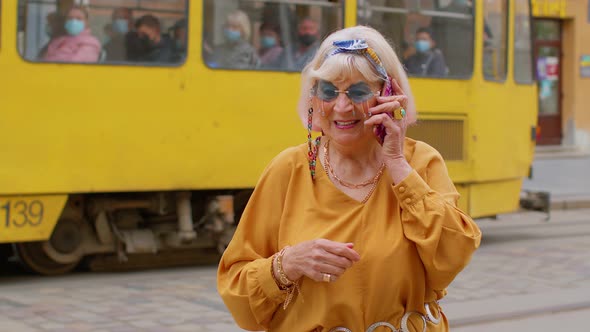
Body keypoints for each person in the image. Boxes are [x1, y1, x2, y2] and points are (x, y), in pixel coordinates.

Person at [217, 26, 481, 331]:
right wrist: (287, 265)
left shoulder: (419, 162)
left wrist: (396, 164)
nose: (342, 107)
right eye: (328, 91)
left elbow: (453, 255)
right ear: (314, 98)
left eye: (358, 92)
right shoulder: (288, 169)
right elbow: (237, 292)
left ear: (388, 94)